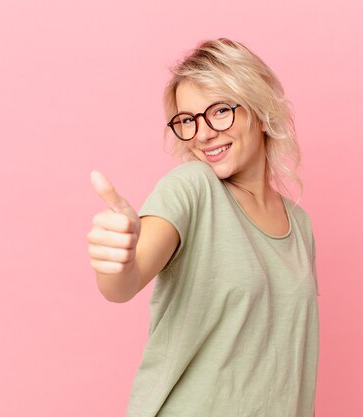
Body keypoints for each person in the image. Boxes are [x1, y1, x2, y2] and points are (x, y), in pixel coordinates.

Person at [87, 38, 320, 417]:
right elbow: (124, 283)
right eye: (188, 120)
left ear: (259, 112)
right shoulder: (192, 187)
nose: (203, 133)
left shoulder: (301, 225)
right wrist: (117, 263)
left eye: (220, 112)